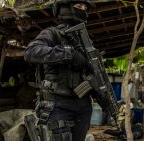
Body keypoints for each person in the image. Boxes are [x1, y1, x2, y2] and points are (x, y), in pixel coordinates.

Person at [24, 0, 93, 140]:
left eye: (85, 8)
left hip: (83, 106)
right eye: (79, 6)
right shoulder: (53, 33)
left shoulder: (86, 41)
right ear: (65, 8)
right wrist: (68, 54)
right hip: (58, 104)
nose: (83, 10)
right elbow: (31, 52)